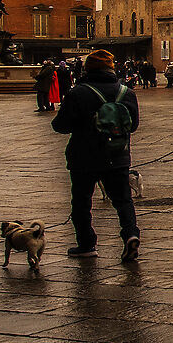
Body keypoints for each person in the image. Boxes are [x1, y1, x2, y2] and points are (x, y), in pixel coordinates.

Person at [53, 48, 140, 262]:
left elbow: (61, 126)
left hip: (84, 157)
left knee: (82, 202)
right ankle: (130, 235)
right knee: (123, 201)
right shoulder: (125, 92)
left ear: (87, 68)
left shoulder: (78, 92)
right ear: (111, 68)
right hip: (117, 155)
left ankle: (86, 244)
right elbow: (134, 125)